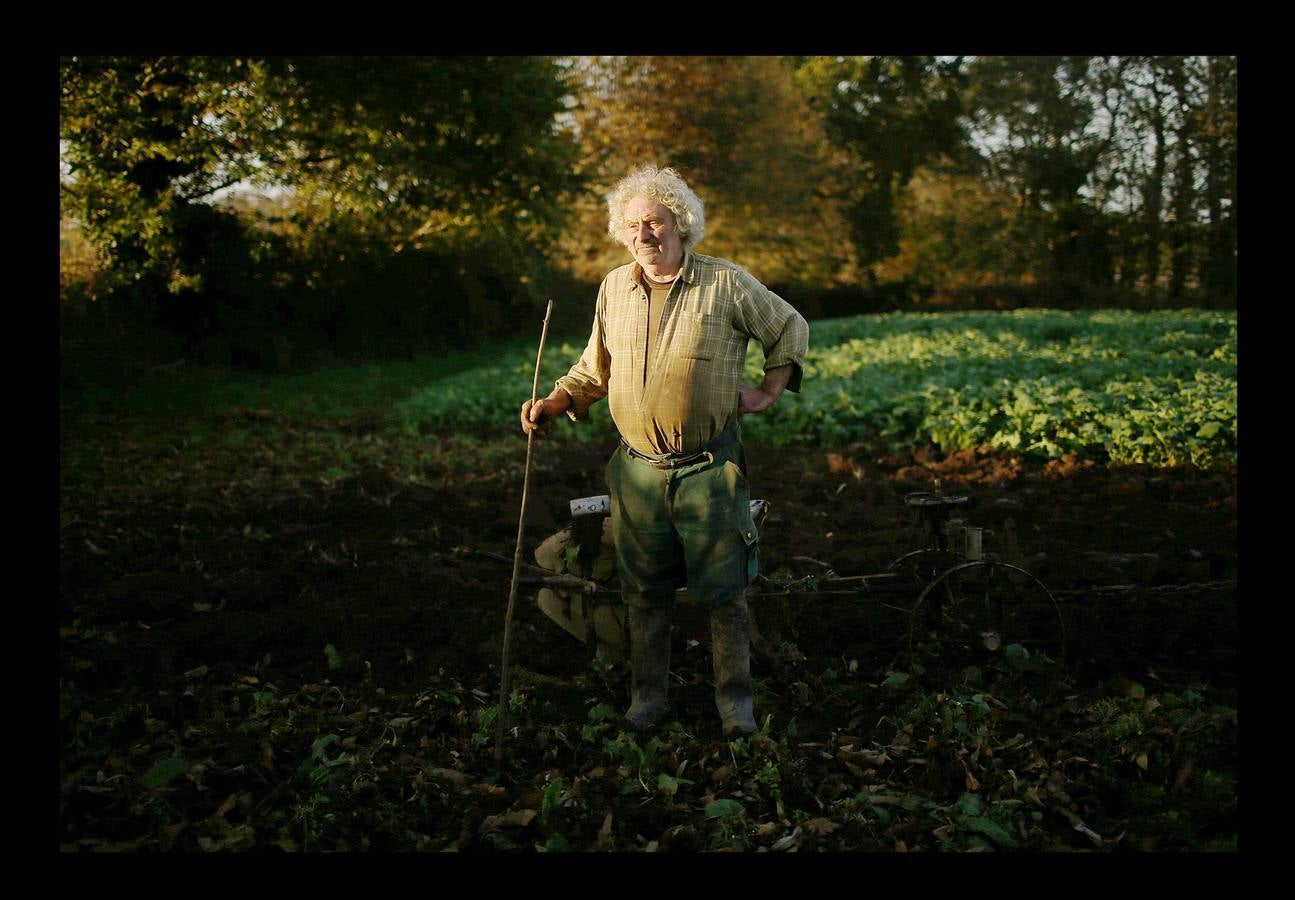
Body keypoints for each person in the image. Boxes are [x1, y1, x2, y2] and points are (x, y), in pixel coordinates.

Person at [520, 165, 808, 735]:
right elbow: (592, 369)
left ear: (681, 223)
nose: (643, 234)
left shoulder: (725, 284)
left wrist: (771, 388)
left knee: (724, 592)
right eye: (632, 225)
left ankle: (735, 704)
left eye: (654, 221)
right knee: (643, 591)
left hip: (708, 469)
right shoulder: (613, 289)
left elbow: (788, 326)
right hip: (637, 473)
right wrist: (555, 401)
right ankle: (647, 699)